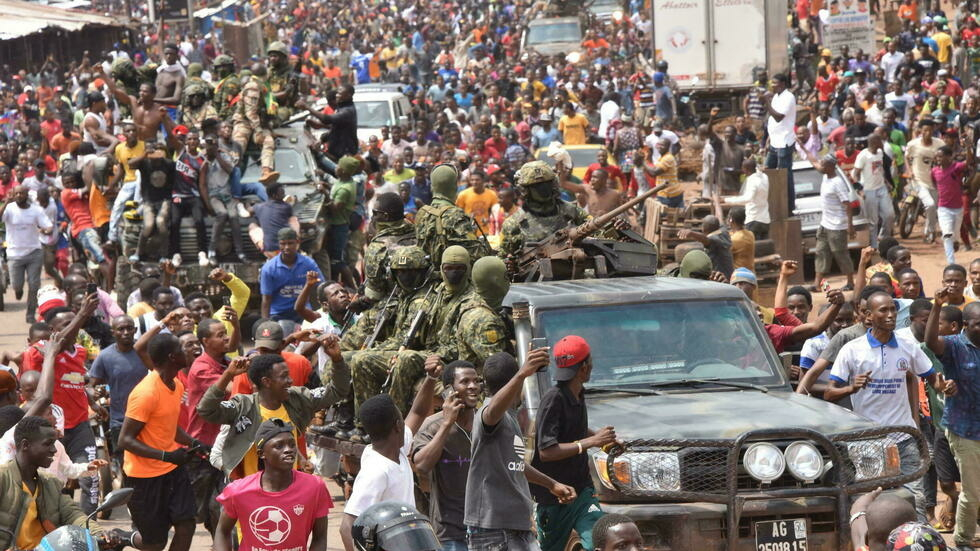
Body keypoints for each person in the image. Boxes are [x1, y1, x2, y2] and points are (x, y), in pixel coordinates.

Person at [828, 291, 956, 520]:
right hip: (868, 440)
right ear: (868, 314)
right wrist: (850, 388)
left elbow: (931, 377)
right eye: (883, 310)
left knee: (914, 496)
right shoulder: (852, 349)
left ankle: (916, 541)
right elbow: (829, 392)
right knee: (872, 498)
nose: (890, 315)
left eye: (893, 310)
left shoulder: (908, 346)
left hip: (904, 436)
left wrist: (944, 386)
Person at [464, 351, 576, 551]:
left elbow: (514, 463)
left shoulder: (509, 416)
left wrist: (552, 484)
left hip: (518, 526)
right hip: (494, 530)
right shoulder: (488, 413)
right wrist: (522, 374)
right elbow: (491, 415)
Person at [197, 345, 350, 478]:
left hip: (291, 485)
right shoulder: (242, 406)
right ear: (266, 382)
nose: (290, 381)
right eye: (284, 376)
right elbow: (206, 410)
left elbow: (338, 391)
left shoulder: (297, 397)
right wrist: (228, 375)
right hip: (251, 490)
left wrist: (337, 360)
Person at [339, 357, 439, 551]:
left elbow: (417, 412)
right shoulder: (377, 471)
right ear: (397, 426)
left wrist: (430, 378)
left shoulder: (397, 449)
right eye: (401, 417)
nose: (405, 419)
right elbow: (346, 526)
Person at [532, 336, 616, 551]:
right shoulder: (554, 399)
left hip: (583, 492)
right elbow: (546, 451)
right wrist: (591, 441)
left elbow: (575, 428)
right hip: (556, 499)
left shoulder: (578, 393)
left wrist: (604, 442)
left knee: (600, 540)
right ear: (584, 368)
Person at [118, 333, 200, 551]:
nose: (190, 352)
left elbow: (169, 427)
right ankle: (122, 538)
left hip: (173, 470)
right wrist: (166, 455)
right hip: (144, 479)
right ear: (173, 357)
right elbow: (125, 440)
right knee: (155, 543)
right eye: (184, 350)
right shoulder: (145, 393)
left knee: (187, 525)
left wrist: (193, 442)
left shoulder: (177, 386)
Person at [213, 419, 331, 551]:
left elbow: (320, 537)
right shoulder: (238, 491)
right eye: (279, 446)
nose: (288, 450)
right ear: (261, 453)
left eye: (292, 445)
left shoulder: (315, 487)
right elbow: (222, 531)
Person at [0, 415, 108, 550]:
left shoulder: (50, 483)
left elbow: (73, 515)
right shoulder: (3, 479)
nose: (54, 450)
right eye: (48, 444)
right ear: (25, 445)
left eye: (54, 443)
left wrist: (98, 534)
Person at [924, 295, 980, 551]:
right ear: (966, 324)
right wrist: (936, 306)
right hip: (964, 428)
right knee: (972, 491)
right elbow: (930, 341)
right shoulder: (954, 346)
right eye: (979, 323)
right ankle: (963, 540)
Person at [411, 361, 481, 550]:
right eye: (465, 382)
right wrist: (447, 424)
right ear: (449, 390)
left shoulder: (486, 422)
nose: (473, 386)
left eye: (476, 381)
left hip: (488, 530)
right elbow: (421, 466)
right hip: (451, 534)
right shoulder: (433, 426)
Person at [88, 315, 147, 458]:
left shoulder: (145, 351)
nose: (126, 332)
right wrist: (94, 397)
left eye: (129, 328)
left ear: (135, 330)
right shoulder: (105, 356)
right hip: (120, 420)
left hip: (147, 417)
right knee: (124, 462)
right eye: (121, 329)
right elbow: (91, 385)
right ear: (113, 332)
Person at [802, 152, 855, 290]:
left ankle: (850, 282)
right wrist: (802, 147)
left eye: (823, 164)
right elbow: (813, 160)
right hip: (825, 224)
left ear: (831, 166)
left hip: (837, 226)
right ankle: (816, 284)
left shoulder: (838, 183)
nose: (821, 166)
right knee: (821, 252)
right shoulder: (826, 177)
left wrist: (850, 226)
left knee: (840, 253)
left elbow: (847, 204)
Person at [0, 185, 53, 323]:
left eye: (21, 193)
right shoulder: (9, 209)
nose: (19, 196)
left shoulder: (36, 210)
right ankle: (18, 291)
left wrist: (47, 230)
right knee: (16, 285)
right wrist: (6, 202)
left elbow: (47, 225)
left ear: (27, 194)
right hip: (14, 254)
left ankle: (30, 314)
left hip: (33, 252)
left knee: (34, 285)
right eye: (16, 193)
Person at [260, 228, 325, 325]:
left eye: (290, 243)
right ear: (278, 244)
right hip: (278, 314)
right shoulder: (269, 268)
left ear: (297, 242)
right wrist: (265, 325)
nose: (286, 247)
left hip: (303, 312)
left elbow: (322, 287)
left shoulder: (308, 264)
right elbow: (266, 299)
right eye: (283, 244)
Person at [853, 134, 892, 250]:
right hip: (869, 190)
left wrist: (886, 182)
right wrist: (860, 189)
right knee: (873, 220)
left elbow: (879, 170)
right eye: (880, 140)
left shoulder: (880, 152)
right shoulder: (863, 156)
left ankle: (883, 235)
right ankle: (874, 245)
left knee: (889, 215)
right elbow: (855, 174)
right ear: (874, 142)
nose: (882, 142)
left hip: (881, 188)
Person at [764, 73, 797, 212]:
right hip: (774, 142)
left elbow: (778, 117)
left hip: (784, 142)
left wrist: (766, 102)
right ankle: (772, 202)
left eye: (775, 83)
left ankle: (788, 207)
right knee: (768, 171)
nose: (772, 85)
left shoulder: (788, 97)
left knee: (785, 175)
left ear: (783, 83)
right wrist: (768, 139)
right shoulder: (776, 97)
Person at [906, 118, 942, 243]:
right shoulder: (913, 144)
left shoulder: (939, 144)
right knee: (930, 204)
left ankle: (929, 231)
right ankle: (930, 231)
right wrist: (909, 171)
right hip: (918, 180)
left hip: (934, 182)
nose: (928, 133)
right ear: (920, 131)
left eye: (930, 130)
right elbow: (906, 158)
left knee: (933, 208)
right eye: (925, 130)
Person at [724, 159, 770, 239]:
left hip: (753, 219)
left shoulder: (752, 180)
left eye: (743, 168)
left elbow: (747, 199)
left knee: (752, 247)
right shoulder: (764, 177)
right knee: (764, 248)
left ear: (746, 169)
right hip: (765, 220)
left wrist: (726, 200)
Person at [678, 214, 734, 278]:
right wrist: (716, 204)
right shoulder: (723, 231)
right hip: (729, 274)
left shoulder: (714, 240)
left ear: (703, 228)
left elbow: (706, 239)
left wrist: (691, 233)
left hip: (720, 277)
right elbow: (720, 216)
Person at [728, 207, 755, 271]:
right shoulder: (751, 234)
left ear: (731, 220)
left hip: (739, 275)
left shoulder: (733, 240)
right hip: (751, 272)